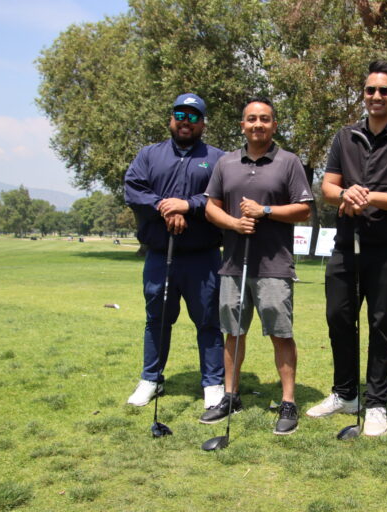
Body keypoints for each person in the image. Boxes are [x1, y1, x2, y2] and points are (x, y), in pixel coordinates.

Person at [306, 61, 387, 436]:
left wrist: (369, 195)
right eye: (371, 90)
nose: (376, 97)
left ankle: (375, 403)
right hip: (346, 243)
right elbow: (327, 188)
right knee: (339, 317)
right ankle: (345, 393)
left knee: (380, 323)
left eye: (384, 91)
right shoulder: (345, 137)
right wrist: (345, 193)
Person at [200, 97, 313, 435]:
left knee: (280, 333)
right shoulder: (226, 163)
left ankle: (288, 401)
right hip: (234, 264)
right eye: (252, 119)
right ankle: (230, 395)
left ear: (274, 125)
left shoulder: (289, 162)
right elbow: (210, 208)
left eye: (265, 119)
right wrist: (234, 224)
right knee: (233, 333)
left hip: (274, 265)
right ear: (243, 125)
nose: (258, 124)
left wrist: (264, 211)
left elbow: (303, 209)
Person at [124, 93, 226, 409]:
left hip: (203, 257)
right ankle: (151, 379)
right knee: (157, 319)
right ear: (171, 118)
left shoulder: (218, 158)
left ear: (203, 123)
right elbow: (133, 189)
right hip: (160, 256)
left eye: (194, 117)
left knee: (208, 321)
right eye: (180, 115)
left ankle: (213, 383)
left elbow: (221, 196)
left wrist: (189, 205)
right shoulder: (149, 155)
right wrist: (165, 208)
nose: (186, 121)